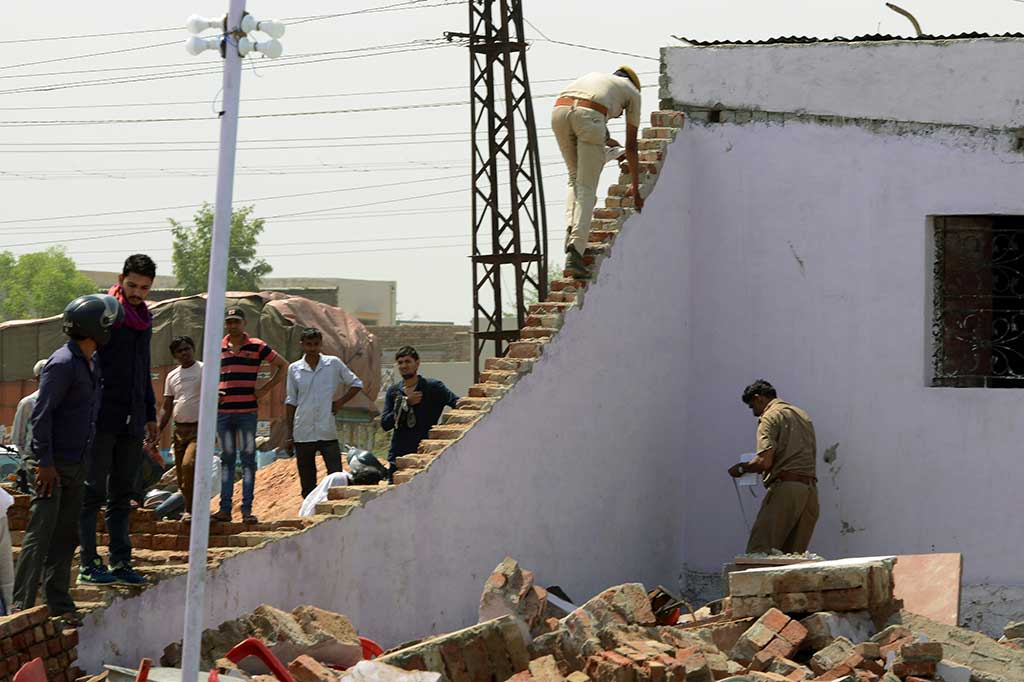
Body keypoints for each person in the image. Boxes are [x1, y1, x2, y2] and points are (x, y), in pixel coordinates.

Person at [12, 294, 121, 623]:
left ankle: (57, 602)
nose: (110, 327)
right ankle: (23, 607)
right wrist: (44, 464)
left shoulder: (91, 361)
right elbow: (41, 416)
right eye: (106, 322)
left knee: (67, 534)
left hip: (76, 463)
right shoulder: (62, 364)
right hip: (50, 465)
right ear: (94, 327)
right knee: (40, 532)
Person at [79, 254, 157, 587]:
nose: (137, 292)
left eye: (144, 287)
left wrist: (150, 415)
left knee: (123, 495)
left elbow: (143, 369)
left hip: (133, 419)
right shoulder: (105, 313)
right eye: (132, 285)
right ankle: (89, 563)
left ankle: (121, 561)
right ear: (121, 279)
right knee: (92, 492)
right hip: (102, 416)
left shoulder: (144, 319)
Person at [552, 66, 644, 279]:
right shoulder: (633, 93)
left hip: (559, 111)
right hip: (588, 117)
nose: (620, 115)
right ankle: (575, 252)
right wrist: (636, 191)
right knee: (586, 188)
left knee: (574, 180)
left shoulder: (597, 79)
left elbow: (597, 129)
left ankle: (571, 228)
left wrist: (616, 151)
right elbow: (632, 146)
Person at [214, 306, 288, 523]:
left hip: (247, 412)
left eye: (237, 321)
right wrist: (214, 389)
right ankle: (225, 509)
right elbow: (208, 372)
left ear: (243, 323)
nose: (233, 325)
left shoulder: (256, 346)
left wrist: (265, 389)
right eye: (230, 322)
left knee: (247, 460)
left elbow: (282, 365)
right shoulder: (217, 346)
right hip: (223, 413)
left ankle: (247, 510)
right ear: (226, 324)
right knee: (226, 460)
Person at [728, 379, 819, 554]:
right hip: (810, 493)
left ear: (759, 398)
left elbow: (764, 462)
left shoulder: (770, 416)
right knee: (792, 558)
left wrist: (741, 468)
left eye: (752, 406)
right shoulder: (802, 415)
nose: (754, 412)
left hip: (786, 489)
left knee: (759, 553)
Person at [285, 327, 364, 499]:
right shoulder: (294, 369)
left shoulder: (332, 363)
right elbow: (291, 401)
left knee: (335, 475)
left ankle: (334, 511)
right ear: (302, 345)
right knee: (307, 479)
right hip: (303, 430)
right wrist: (289, 435)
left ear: (321, 344)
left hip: (326, 428)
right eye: (308, 344)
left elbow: (356, 383)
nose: (312, 348)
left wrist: (339, 402)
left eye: (315, 344)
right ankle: (308, 513)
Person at [381, 346, 459, 480]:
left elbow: (457, 403)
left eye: (407, 361)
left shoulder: (433, 387)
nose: (404, 366)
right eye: (400, 363)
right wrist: (406, 403)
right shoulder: (394, 392)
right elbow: (385, 424)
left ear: (417, 363)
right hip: (399, 457)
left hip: (425, 455)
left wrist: (444, 429)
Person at [157, 336, 202, 521]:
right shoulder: (172, 375)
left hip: (198, 429)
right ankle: (189, 509)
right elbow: (167, 406)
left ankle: (192, 510)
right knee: (182, 474)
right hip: (179, 430)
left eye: (187, 348)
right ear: (175, 355)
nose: (184, 353)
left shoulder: (204, 369)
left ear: (193, 348)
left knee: (188, 465)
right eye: (180, 351)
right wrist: (158, 430)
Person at [11, 359, 47, 460]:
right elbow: (17, 440)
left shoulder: (64, 402)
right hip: (34, 461)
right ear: (38, 378)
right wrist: (28, 461)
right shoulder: (28, 403)